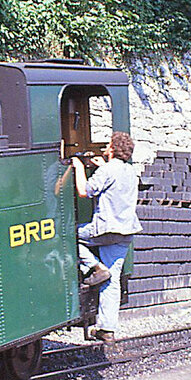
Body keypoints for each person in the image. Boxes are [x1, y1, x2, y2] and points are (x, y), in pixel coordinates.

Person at [72, 131, 142, 348]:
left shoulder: (108, 170)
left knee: (68, 237)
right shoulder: (130, 171)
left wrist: (78, 167)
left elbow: (84, 191)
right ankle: (107, 329)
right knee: (112, 281)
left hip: (104, 230)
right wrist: (102, 166)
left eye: (108, 144)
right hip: (125, 232)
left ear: (112, 148)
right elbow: (113, 179)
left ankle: (94, 266)